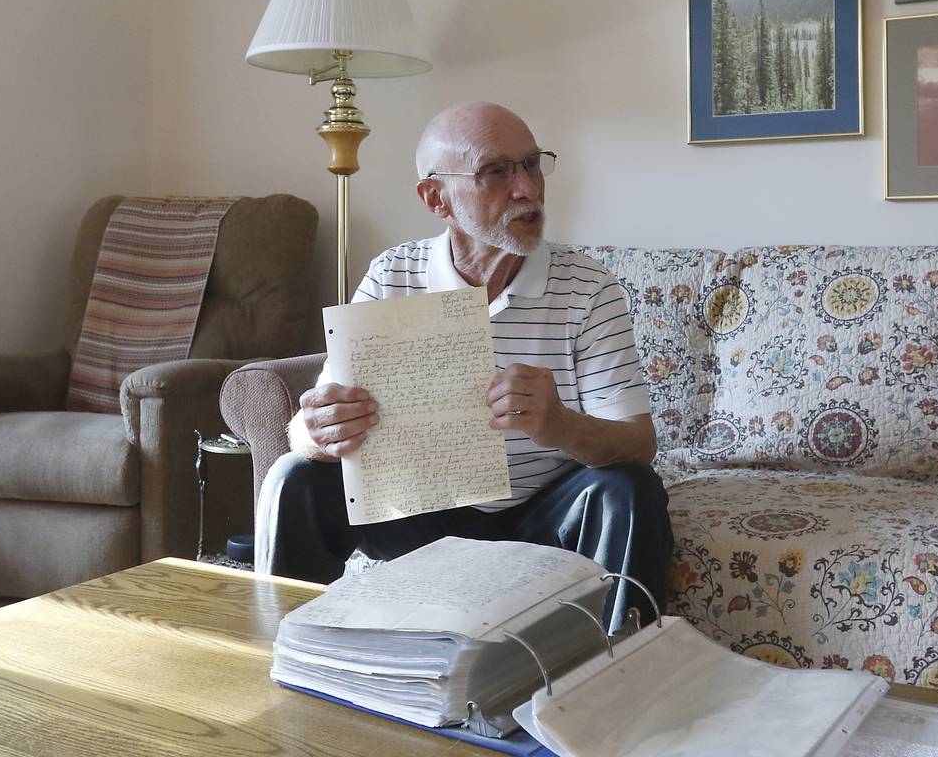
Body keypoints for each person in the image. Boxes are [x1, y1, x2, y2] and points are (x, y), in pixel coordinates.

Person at [255, 101, 672, 631]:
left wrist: (560, 425)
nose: (528, 188)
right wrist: (316, 431)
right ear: (437, 198)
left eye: (532, 164)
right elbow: (307, 431)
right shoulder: (392, 275)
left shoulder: (589, 288)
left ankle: (621, 664)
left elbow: (639, 443)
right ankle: (286, 654)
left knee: (631, 487)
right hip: (419, 515)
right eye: (496, 172)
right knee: (294, 476)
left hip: (544, 517)